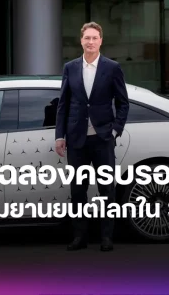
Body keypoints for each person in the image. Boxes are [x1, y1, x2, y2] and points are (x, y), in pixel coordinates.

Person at [55, 22, 129, 252]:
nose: (90, 42)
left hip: (102, 139)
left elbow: (123, 103)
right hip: (77, 139)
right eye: (87, 38)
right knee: (78, 190)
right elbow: (63, 104)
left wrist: (115, 130)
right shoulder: (70, 68)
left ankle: (106, 238)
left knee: (107, 189)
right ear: (81, 41)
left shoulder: (112, 68)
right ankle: (80, 237)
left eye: (94, 38)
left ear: (101, 41)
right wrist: (59, 136)